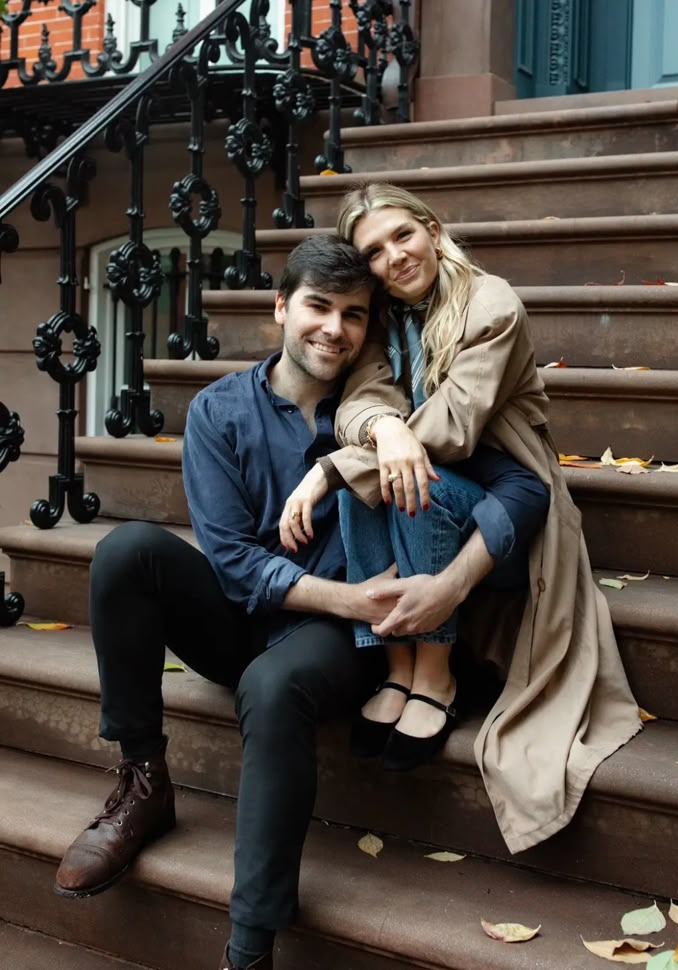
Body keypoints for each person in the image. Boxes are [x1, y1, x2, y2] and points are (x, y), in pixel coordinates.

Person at [52, 234, 499, 970]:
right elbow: (227, 559)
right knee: (126, 551)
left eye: (354, 315)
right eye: (318, 307)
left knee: (274, 682)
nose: (334, 329)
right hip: (267, 615)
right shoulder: (219, 409)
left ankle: (250, 947)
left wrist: (364, 599)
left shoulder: (382, 413)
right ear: (281, 308)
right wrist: (353, 599)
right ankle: (142, 781)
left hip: (330, 644)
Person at [280, 184, 642, 855]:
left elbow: (455, 426)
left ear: (432, 229)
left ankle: (437, 675)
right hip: (434, 482)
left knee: (404, 480)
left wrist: (338, 466)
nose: (394, 257)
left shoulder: (491, 303)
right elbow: (358, 402)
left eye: (402, 237)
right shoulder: (383, 319)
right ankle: (397, 665)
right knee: (388, 474)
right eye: (374, 251)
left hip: (502, 491)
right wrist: (383, 428)